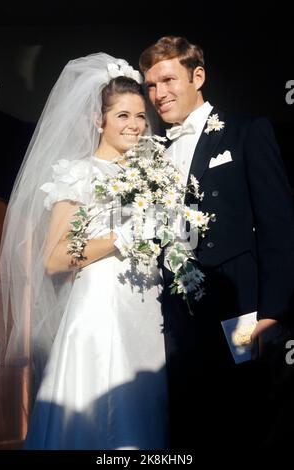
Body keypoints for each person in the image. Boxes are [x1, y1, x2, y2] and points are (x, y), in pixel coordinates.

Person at [0, 53, 168, 450]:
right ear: (99, 120)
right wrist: (119, 239)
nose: (136, 126)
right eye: (123, 116)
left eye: (141, 116)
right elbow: (54, 258)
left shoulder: (152, 175)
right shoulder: (80, 174)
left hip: (146, 312)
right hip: (101, 313)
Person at [139, 36, 294, 460]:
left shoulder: (247, 132)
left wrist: (272, 313)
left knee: (244, 421)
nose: (159, 94)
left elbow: (278, 228)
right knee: (189, 426)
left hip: (240, 313)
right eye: (151, 85)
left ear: (198, 76)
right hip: (175, 323)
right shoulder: (153, 153)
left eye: (168, 79)